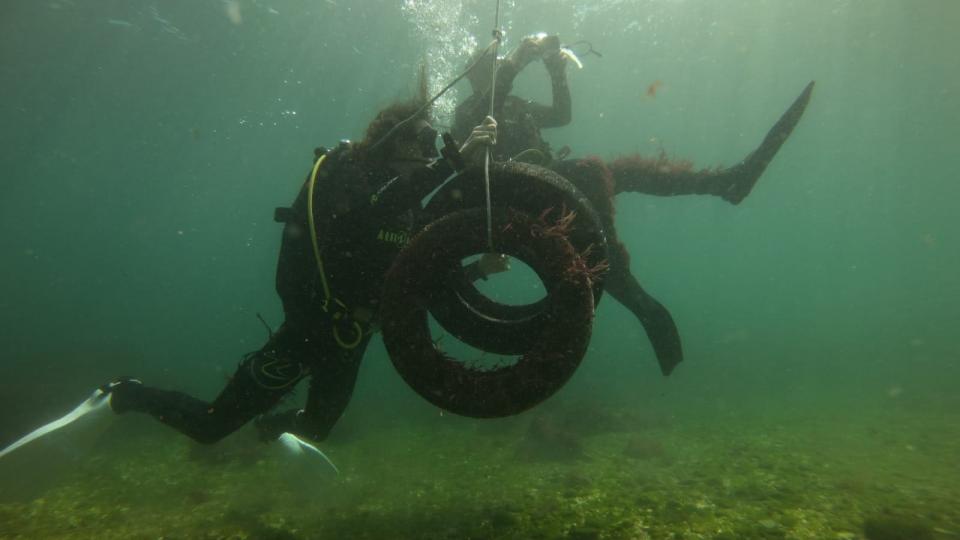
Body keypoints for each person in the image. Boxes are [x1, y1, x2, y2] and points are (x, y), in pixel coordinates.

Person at [101, 95, 500, 445]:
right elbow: (366, 214)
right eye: (424, 139)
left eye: (434, 143)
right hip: (309, 330)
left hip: (350, 342)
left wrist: (479, 268)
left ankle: (270, 430)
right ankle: (124, 393)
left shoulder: (407, 208)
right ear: (395, 137)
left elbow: (416, 282)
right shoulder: (347, 174)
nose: (430, 152)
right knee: (211, 427)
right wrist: (452, 161)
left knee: (316, 428)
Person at [453, 34, 814, 376]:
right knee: (593, 171)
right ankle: (622, 280)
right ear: (472, 75)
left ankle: (724, 183)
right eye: (487, 63)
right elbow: (483, 131)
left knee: (620, 172)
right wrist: (516, 61)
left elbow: (562, 116)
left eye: (496, 61)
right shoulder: (468, 112)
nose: (495, 65)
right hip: (514, 199)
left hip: (551, 185)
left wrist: (555, 68)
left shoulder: (517, 105)